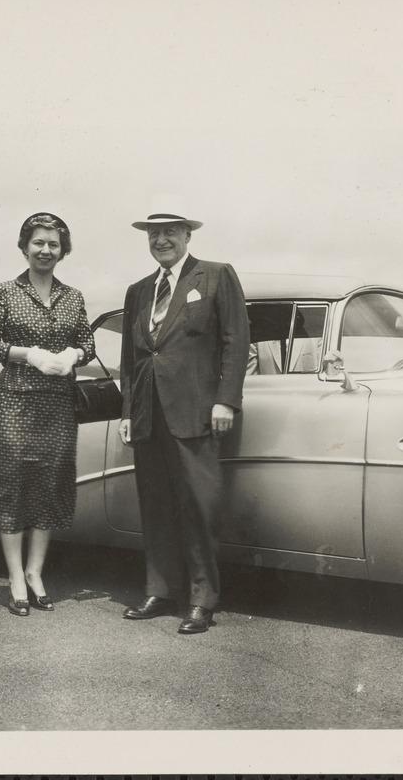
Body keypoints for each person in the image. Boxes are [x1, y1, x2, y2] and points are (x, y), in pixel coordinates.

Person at [118, 212, 249, 634]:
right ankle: (160, 590)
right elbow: (131, 360)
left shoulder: (215, 276)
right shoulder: (139, 291)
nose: (161, 240)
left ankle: (201, 599)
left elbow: (236, 340)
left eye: (169, 232)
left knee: (198, 507)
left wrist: (226, 401)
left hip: (196, 413)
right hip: (148, 415)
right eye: (154, 234)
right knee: (155, 505)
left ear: (187, 235)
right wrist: (126, 412)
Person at [0, 212, 95, 616]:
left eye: (54, 244)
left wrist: (75, 354)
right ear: (24, 246)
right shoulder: (3, 291)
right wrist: (29, 355)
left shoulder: (73, 296)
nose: (45, 250)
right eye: (38, 242)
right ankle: (15, 576)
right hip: (14, 400)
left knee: (49, 485)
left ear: (63, 251)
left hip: (57, 403)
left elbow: (87, 341)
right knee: (13, 486)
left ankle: (36, 573)